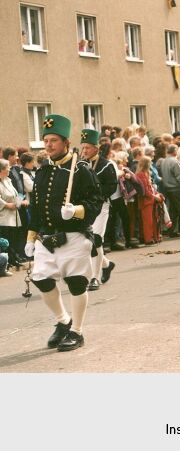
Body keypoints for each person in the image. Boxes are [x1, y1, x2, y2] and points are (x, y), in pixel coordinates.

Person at [24, 114, 101, 352]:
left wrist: (77, 210)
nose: (48, 145)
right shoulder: (43, 171)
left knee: (76, 283)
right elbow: (36, 208)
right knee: (41, 279)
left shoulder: (80, 170)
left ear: (66, 142)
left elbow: (96, 202)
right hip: (47, 238)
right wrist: (31, 236)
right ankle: (63, 321)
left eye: (53, 140)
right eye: (46, 140)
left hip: (74, 236)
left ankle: (77, 332)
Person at [81, 129, 118, 291]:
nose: (84, 151)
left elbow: (111, 187)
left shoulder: (106, 165)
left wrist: (96, 195)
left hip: (100, 207)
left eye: (87, 148)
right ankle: (107, 264)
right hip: (85, 208)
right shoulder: (80, 165)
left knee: (96, 239)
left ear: (96, 148)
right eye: (83, 147)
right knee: (88, 242)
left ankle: (94, 277)